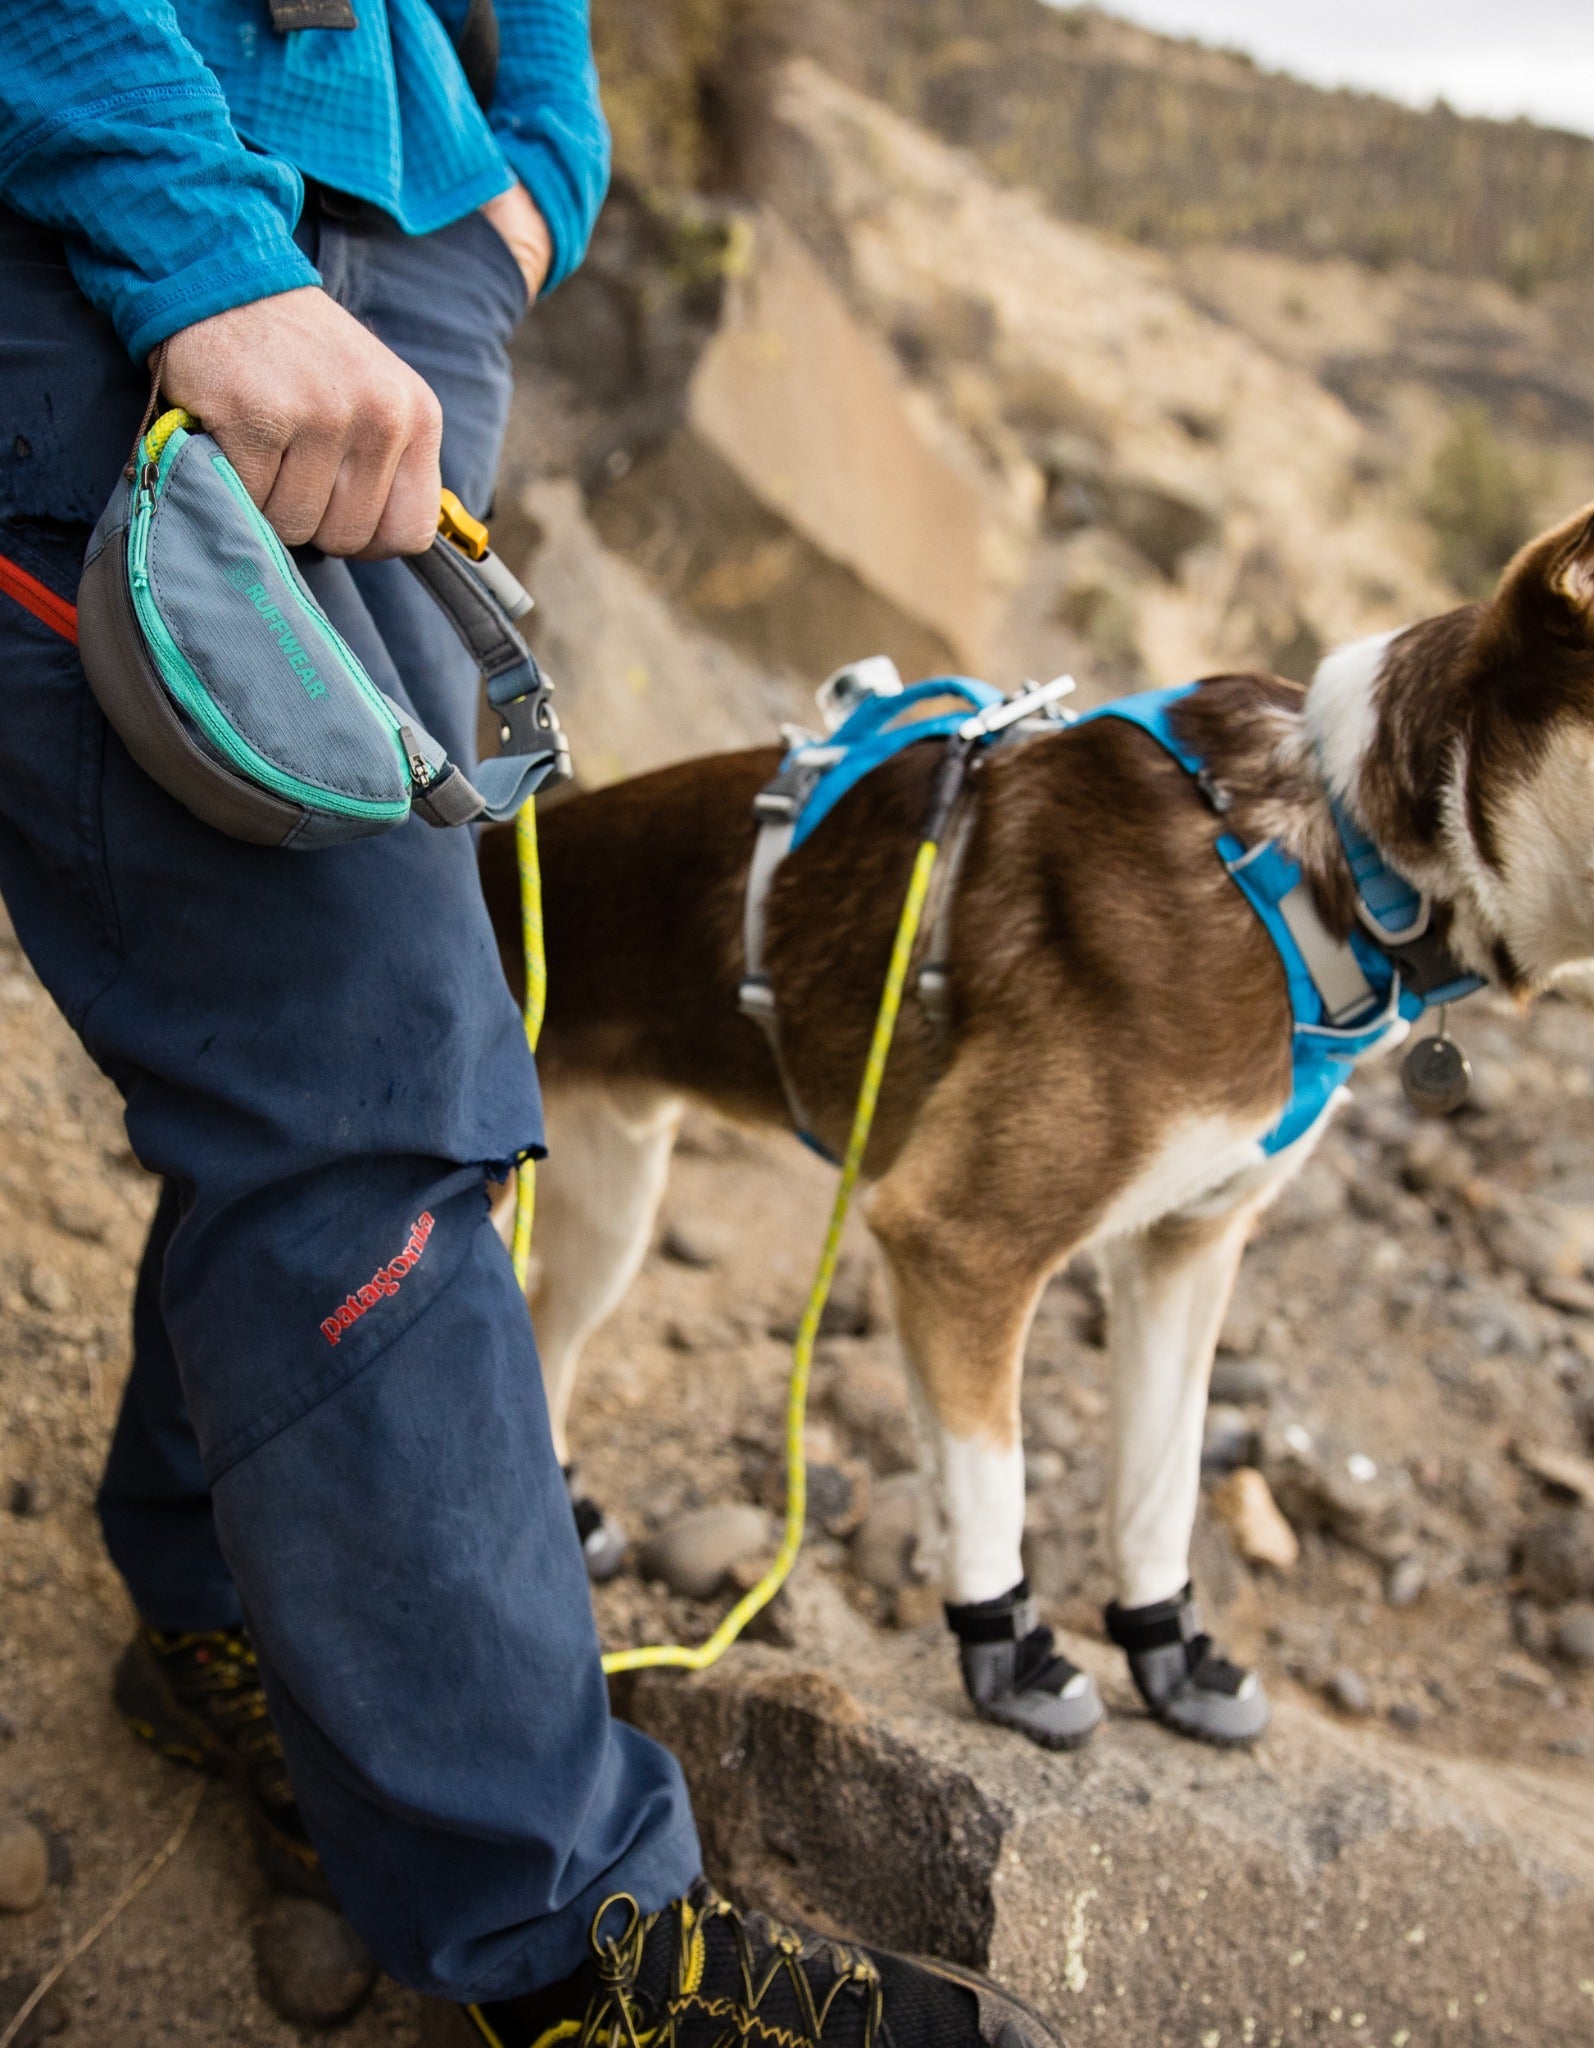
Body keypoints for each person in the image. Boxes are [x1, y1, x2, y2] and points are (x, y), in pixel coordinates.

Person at [0, 4, 1061, 2042]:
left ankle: (217, 1598)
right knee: (373, 1076)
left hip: (398, 276)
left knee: (356, 1039)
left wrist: (528, 172)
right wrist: (198, 243)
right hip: (140, 237)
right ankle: (561, 1942)